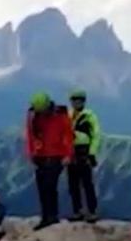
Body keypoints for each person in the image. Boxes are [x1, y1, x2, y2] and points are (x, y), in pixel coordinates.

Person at [25, 91, 73, 230]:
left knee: (49, 186)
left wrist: (68, 154)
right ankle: (46, 217)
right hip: (40, 156)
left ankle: (52, 216)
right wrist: (31, 153)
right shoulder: (33, 115)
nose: (41, 113)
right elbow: (30, 134)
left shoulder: (60, 115)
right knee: (42, 187)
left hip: (56, 155)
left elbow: (68, 134)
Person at [68, 89, 101, 222]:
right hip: (71, 152)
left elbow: (96, 135)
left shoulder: (89, 116)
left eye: (79, 100)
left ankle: (92, 211)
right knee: (73, 184)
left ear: (83, 102)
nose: (76, 103)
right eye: (74, 100)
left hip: (84, 151)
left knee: (87, 183)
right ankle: (77, 211)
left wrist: (92, 153)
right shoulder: (68, 116)